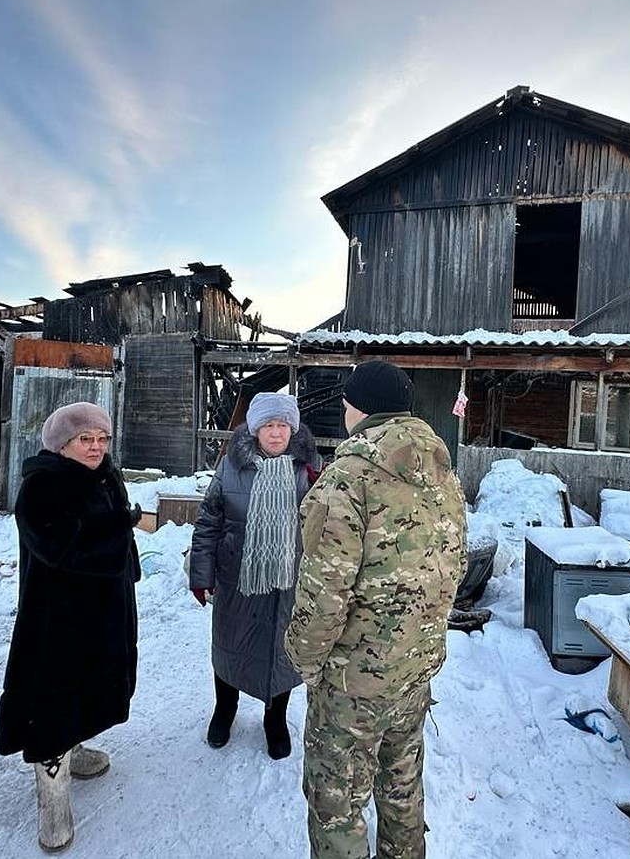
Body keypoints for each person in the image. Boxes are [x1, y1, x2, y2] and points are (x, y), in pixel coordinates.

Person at [285, 360, 467, 859]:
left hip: (353, 683)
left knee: (337, 806)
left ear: (356, 409)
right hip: (414, 670)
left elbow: (324, 591)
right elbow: (455, 565)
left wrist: (304, 661)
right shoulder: (442, 473)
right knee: (402, 790)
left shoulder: (347, 479)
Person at [0, 401, 143, 853]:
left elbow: (114, 536)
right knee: (54, 701)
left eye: (102, 439)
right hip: (59, 620)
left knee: (92, 690)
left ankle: (75, 748)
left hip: (103, 611)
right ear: (63, 444)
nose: (96, 447)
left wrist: (126, 556)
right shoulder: (43, 485)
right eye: (86, 439)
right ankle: (52, 804)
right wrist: (120, 526)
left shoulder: (103, 474)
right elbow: (61, 548)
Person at [189, 391, 322, 759]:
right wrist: (202, 573)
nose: (276, 433)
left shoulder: (308, 467)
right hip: (238, 579)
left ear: (292, 429)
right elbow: (209, 521)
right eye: (268, 425)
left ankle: (274, 719)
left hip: (288, 583)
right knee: (231, 646)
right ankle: (224, 709)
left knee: (282, 652)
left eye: (282, 425)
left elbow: (324, 526)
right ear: (254, 429)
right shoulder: (232, 466)